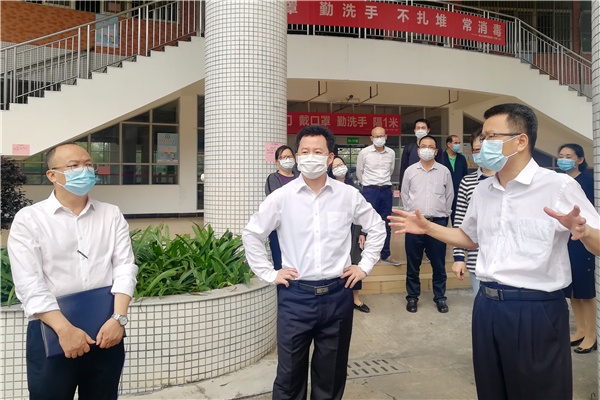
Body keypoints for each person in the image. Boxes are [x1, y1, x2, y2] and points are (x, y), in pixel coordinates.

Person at [389, 103, 600, 399]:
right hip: (487, 306)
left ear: (520, 141)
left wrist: (584, 232)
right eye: (482, 138)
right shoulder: (483, 190)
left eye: (490, 137)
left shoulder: (558, 186)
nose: (482, 144)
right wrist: (428, 228)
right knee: (492, 390)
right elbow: (469, 237)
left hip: (535, 309)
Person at [242, 125, 385, 400]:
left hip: (338, 294)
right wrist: (269, 274)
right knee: (289, 376)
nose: (310, 157)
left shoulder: (347, 195)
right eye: (305, 152)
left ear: (330, 158)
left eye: (318, 152)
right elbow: (252, 233)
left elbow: (377, 227)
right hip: (296, 296)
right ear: (297, 157)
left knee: (331, 376)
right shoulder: (281, 197)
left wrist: (364, 266)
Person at [7, 143, 138, 400]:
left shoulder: (111, 214)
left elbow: (125, 267)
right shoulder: (30, 219)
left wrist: (119, 319)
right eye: (74, 166)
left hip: (106, 331)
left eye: (88, 165)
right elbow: (28, 282)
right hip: (52, 332)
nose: (84, 171)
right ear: (52, 175)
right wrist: (65, 330)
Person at [400, 135, 453, 313]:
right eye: (424, 146)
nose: (427, 149)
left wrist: (443, 216)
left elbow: (449, 196)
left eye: (431, 147)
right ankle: (412, 297)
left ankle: (440, 297)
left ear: (436, 151)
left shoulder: (444, 171)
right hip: (415, 223)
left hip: (437, 223)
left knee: (438, 263)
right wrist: (411, 215)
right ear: (418, 150)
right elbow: (405, 195)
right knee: (413, 263)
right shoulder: (410, 171)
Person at [557, 143, 597, 354]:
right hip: (566, 240)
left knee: (586, 291)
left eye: (569, 156)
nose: (563, 159)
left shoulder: (588, 182)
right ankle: (580, 329)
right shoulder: (561, 182)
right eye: (561, 156)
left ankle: (592, 334)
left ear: (580, 160)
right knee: (573, 289)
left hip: (584, 241)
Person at [451, 128, 494, 295]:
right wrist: (459, 257)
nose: (480, 153)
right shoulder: (467, 182)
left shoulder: (511, 181)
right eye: (476, 150)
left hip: (508, 261)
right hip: (477, 259)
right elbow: (460, 222)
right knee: (481, 304)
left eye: (484, 149)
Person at [329, 156, 370, 313]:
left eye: (341, 164)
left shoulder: (356, 189)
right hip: (335, 232)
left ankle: (355, 298)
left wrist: (363, 233)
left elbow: (363, 214)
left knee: (354, 263)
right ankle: (337, 299)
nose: (339, 168)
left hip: (354, 232)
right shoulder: (328, 189)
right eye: (335, 166)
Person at [356, 126, 400, 266]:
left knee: (386, 222)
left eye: (381, 136)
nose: (379, 139)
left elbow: (390, 170)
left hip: (386, 190)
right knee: (367, 222)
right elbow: (359, 172)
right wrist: (368, 185)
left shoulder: (391, 153)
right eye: (376, 136)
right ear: (371, 138)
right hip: (370, 190)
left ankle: (385, 254)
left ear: (386, 136)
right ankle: (368, 255)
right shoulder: (364, 153)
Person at [265, 145, 299, 270]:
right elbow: (276, 201)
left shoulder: (300, 177)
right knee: (280, 262)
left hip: (299, 226)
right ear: (277, 162)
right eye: (283, 157)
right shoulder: (273, 179)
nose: (287, 159)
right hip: (280, 227)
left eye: (289, 156)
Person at [399, 118, 443, 187]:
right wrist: (401, 187)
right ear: (414, 130)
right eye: (418, 128)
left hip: (432, 184)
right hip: (413, 185)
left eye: (423, 128)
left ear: (428, 130)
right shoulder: (409, 148)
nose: (420, 130)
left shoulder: (436, 148)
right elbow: (403, 168)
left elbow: (441, 167)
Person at [442, 134, 469, 224]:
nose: (458, 145)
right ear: (449, 144)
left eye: (459, 143)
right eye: (456, 143)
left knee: (458, 221)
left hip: (458, 193)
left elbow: (465, 175)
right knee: (443, 221)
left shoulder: (461, 158)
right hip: (444, 194)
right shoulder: (441, 158)